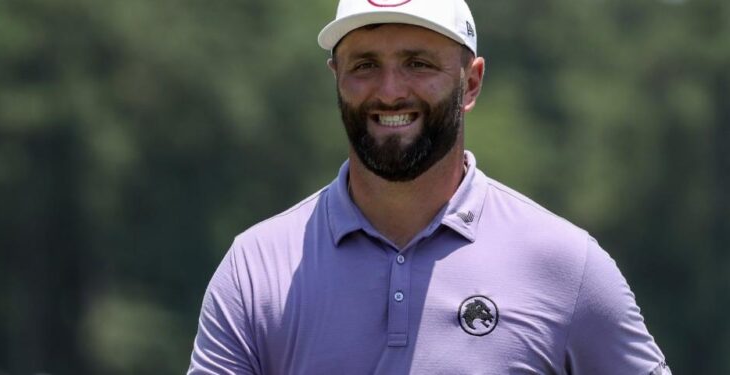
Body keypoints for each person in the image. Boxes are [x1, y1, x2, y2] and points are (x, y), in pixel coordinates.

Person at [188, 0, 671, 373]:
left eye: (418, 64)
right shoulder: (255, 269)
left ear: (472, 82)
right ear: (336, 77)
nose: (391, 90)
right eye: (365, 65)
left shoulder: (566, 266)